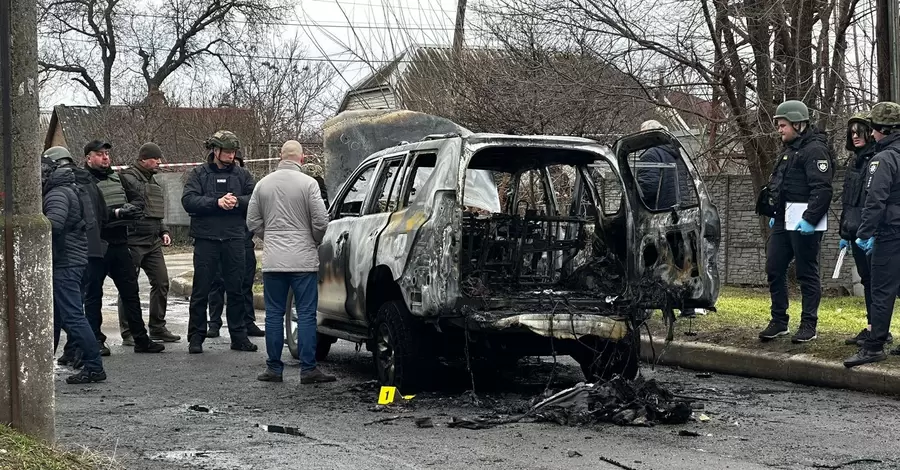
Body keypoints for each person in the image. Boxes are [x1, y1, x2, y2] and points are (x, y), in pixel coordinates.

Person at [248, 140, 334, 384]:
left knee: (274, 314)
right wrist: (312, 241)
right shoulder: (309, 184)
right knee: (306, 314)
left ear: (279, 156)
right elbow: (321, 221)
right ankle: (308, 369)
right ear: (302, 159)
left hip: (274, 261)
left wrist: (272, 237)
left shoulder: (262, 184)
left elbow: (252, 222)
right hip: (303, 261)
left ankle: (274, 369)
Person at [757, 100, 833, 343]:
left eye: (783, 125)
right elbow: (781, 186)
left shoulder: (814, 150)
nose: (779, 129)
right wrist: (776, 214)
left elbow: (822, 189)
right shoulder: (789, 150)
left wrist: (810, 219)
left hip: (804, 222)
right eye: (779, 125)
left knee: (806, 272)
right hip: (784, 219)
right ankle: (779, 320)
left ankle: (808, 324)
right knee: (774, 267)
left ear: (798, 124)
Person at [82, 140, 164, 354]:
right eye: (100, 154)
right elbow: (90, 214)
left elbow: (139, 200)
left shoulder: (117, 178)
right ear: (88, 158)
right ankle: (96, 342)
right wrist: (117, 213)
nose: (105, 158)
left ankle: (141, 339)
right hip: (97, 245)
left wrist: (132, 208)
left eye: (107, 153)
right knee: (93, 296)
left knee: (131, 292)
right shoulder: (83, 182)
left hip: (120, 243)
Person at [182, 131, 258, 354]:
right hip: (206, 240)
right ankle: (196, 337)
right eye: (226, 151)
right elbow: (188, 200)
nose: (231, 155)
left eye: (233, 151)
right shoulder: (199, 174)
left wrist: (236, 202)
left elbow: (255, 199)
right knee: (201, 290)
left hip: (235, 238)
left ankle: (239, 336)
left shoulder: (243, 175)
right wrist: (216, 202)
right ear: (215, 151)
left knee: (237, 290)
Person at [42, 149, 107, 384]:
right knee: (58, 317)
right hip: (74, 261)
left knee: (73, 317)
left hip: (66, 263)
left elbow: (53, 226)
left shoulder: (58, 193)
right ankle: (42, 364)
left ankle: (94, 366)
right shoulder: (70, 189)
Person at [844, 101, 900, 367]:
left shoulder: (883, 159)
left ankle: (874, 345)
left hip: (890, 233)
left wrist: (864, 233)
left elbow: (874, 200)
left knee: (881, 289)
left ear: (879, 129)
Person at [117, 143, 180, 344]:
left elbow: (153, 209)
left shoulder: (151, 179)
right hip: (132, 239)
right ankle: (129, 332)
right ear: (144, 159)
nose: (159, 162)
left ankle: (157, 328)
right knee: (128, 286)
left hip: (152, 240)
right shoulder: (126, 177)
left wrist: (163, 230)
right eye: (155, 159)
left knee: (161, 282)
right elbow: (133, 202)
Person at [206, 152, 265, 339]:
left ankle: (248, 321)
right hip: (217, 239)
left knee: (244, 283)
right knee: (216, 284)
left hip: (243, 240)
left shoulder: (246, 183)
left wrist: (238, 201)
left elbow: (255, 202)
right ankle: (214, 323)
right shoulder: (210, 179)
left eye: (239, 164)